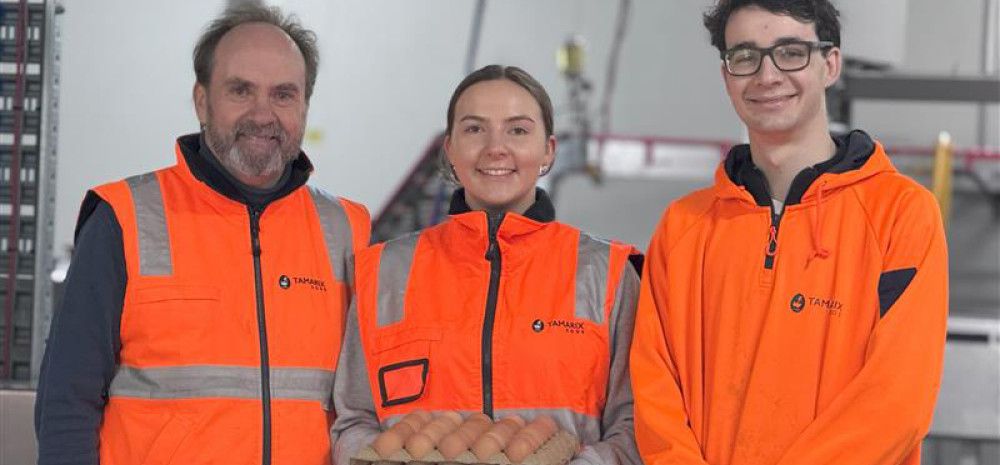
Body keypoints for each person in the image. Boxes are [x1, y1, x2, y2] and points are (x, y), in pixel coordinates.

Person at [34, 4, 370, 465]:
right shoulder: (125, 217)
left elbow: (366, 406)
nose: (263, 114)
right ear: (201, 100)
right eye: (240, 90)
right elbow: (67, 400)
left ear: (305, 106)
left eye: (284, 95)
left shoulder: (347, 230)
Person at [630, 1, 949, 464]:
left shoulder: (901, 215)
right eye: (745, 57)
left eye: (790, 52)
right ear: (726, 77)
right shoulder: (684, 227)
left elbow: (897, 402)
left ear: (830, 64)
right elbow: (655, 391)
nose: (767, 75)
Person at [331, 65, 642, 465]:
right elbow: (352, 418)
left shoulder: (608, 273)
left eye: (518, 130)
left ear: (548, 150)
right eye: (475, 129)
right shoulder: (385, 272)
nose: (496, 148)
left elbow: (633, 423)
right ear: (450, 149)